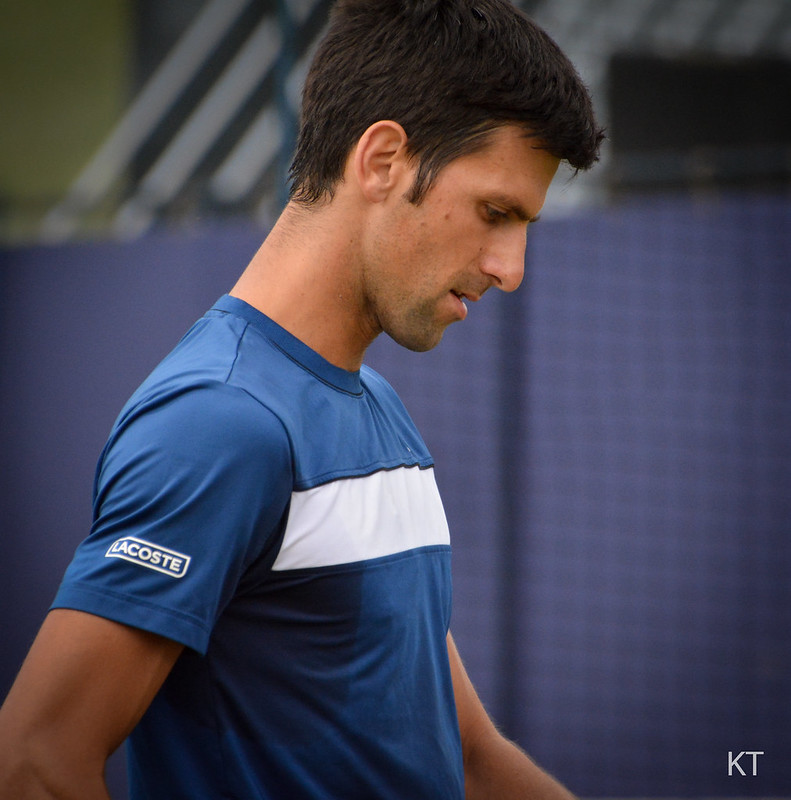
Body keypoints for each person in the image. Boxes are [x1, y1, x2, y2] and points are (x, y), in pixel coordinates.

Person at [0, 1, 603, 797]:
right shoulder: (218, 422)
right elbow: (36, 761)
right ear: (382, 158)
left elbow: (471, 758)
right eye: (496, 213)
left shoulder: (377, 408)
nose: (510, 266)